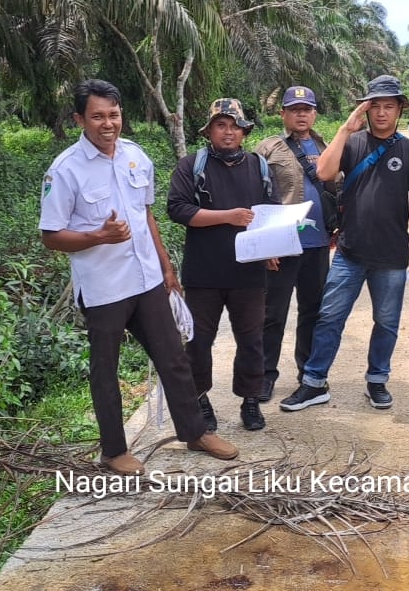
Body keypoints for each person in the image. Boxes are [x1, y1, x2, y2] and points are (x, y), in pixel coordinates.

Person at [39, 79, 238, 475]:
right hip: (104, 288)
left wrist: (166, 268)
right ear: (80, 119)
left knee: (175, 358)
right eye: (97, 116)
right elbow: (50, 236)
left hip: (146, 280)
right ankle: (114, 451)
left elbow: (145, 216)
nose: (107, 123)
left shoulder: (135, 156)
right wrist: (99, 236)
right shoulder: (64, 171)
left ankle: (195, 432)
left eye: (113, 115)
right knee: (106, 371)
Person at [279, 74, 409, 412]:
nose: (380, 113)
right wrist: (345, 129)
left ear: (399, 110)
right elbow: (324, 172)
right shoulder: (353, 142)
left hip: (391, 256)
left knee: (386, 322)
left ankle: (377, 381)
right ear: (365, 109)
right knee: (330, 317)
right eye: (374, 106)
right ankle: (314, 383)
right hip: (349, 252)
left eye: (388, 106)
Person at [167, 99, 277, 433]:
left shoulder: (259, 165)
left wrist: (272, 246)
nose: (228, 132)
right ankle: (200, 399)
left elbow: (269, 211)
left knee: (251, 340)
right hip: (204, 274)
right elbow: (178, 209)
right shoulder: (192, 166)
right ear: (210, 131)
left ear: (245, 132)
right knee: (199, 341)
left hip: (248, 272)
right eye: (221, 125)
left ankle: (250, 400)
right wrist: (227, 217)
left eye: (235, 126)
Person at [253, 86, 336, 402]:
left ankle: (308, 374)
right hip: (282, 246)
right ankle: (265, 375)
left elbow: (335, 188)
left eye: (307, 109)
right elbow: (256, 196)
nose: (301, 114)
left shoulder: (324, 145)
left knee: (312, 312)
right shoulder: (267, 149)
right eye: (294, 109)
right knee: (273, 313)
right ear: (283, 113)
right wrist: (266, 245)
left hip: (317, 246)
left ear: (314, 113)